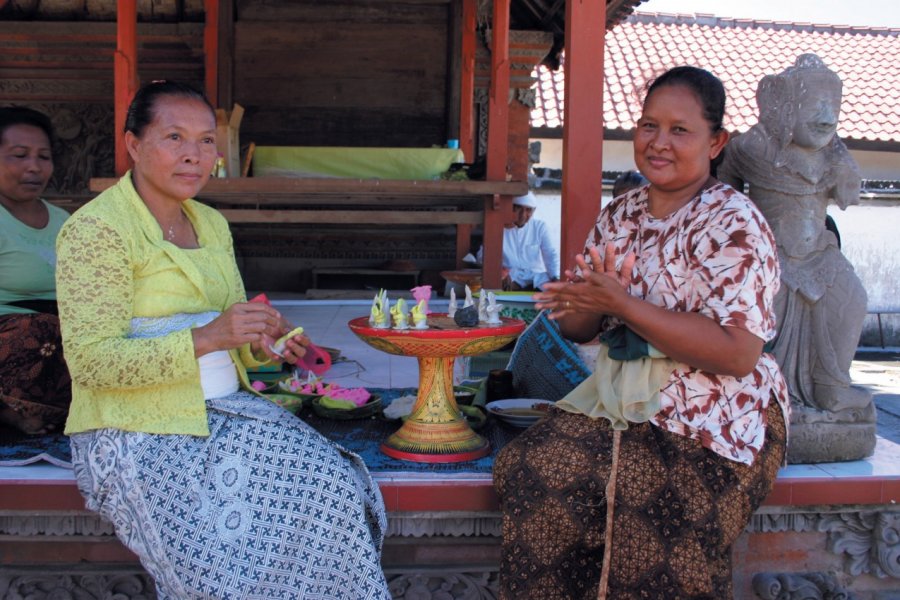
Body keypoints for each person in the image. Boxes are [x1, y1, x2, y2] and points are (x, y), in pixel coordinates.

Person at [56, 81, 390, 599]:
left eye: (207, 141)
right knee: (221, 567)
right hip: (134, 427)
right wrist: (209, 336)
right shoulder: (96, 231)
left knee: (331, 487)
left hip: (224, 412)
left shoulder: (210, 222)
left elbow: (234, 327)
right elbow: (93, 364)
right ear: (133, 144)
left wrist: (265, 340)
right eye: (173, 137)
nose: (195, 156)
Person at [494, 66, 789, 599]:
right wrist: (582, 303)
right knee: (529, 466)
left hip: (716, 411)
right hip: (619, 398)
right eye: (648, 126)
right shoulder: (621, 213)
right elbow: (582, 324)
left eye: (680, 130)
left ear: (716, 141)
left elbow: (738, 352)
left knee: (650, 498)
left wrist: (625, 305)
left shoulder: (735, 223)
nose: (658, 143)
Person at [718, 53, 869, 422]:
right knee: (761, 312)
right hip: (768, 255)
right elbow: (724, 197)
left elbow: (848, 194)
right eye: (815, 103)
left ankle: (830, 387)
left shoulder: (833, 154)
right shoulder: (751, 147)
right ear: (782, 104)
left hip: (819, 253)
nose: (826, 114)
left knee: (852, 300)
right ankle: (763, 393)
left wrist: (844, 171)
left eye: (833, 104)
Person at [0, 106, 72, 435]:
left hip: (63, 331)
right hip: (16, 337)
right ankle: (10, 411)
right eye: (19, 155)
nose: (34, 167)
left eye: (43, 156)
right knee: (41, 332)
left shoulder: (65, 222)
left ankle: (44, 416)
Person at [476, 191, 560, 291]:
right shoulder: (498, 227)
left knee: (554, 288)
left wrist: (556, 277)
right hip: (510, 277)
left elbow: (550, 254)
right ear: (510, 208)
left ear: (534, 211)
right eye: (518, 208)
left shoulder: (539, 227)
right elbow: (482, 255)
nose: (523, 215)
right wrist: (499, 270)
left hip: (536, 277)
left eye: (528, 210)